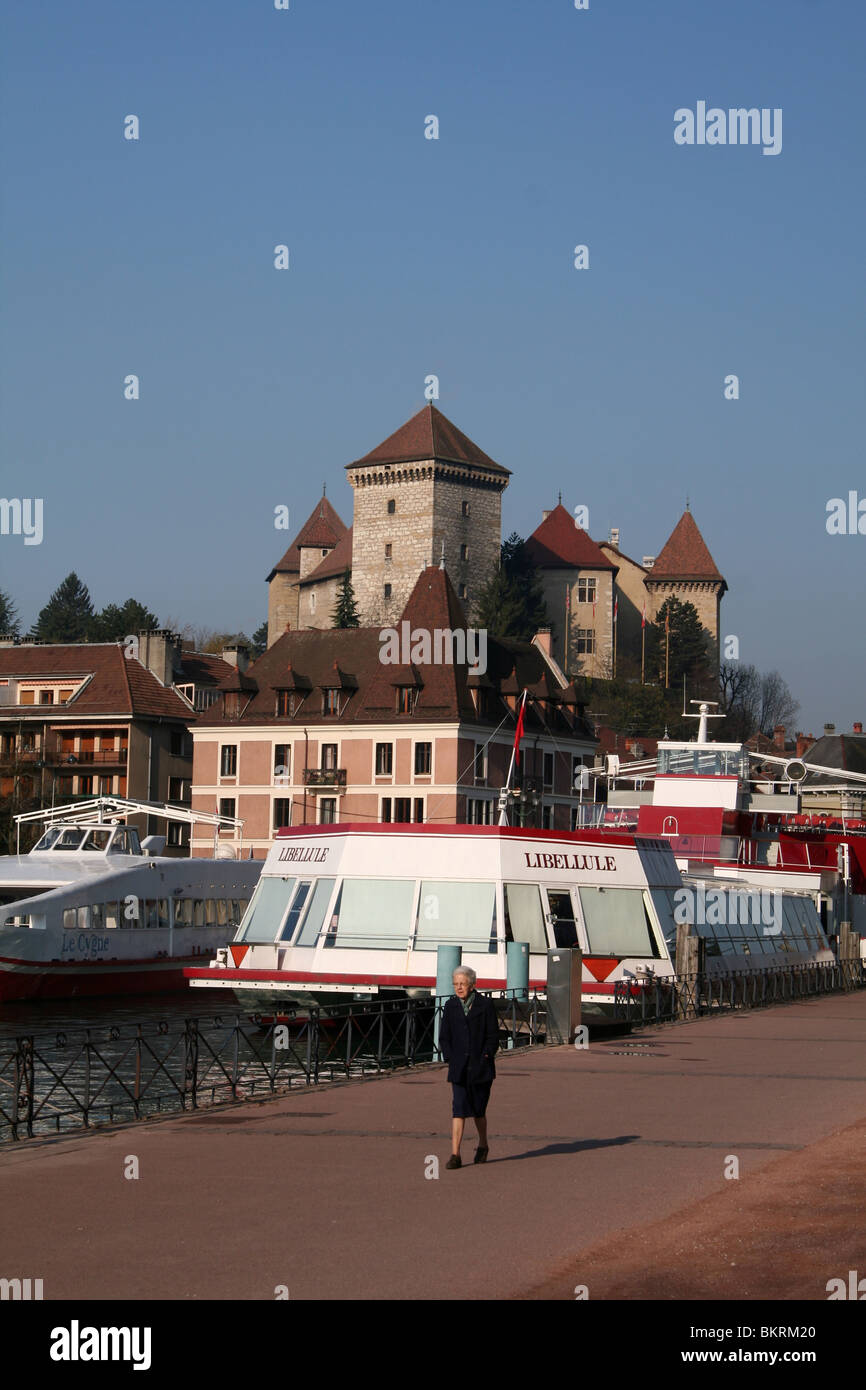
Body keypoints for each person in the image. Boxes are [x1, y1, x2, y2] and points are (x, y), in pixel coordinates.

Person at [438, 966, 498, 1169]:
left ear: (472, 984)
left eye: (462, 983)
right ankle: (455, 1154)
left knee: (478, 1111)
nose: (458, 987)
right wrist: (449, 1057)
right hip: (459, 1068)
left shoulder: (485, 1005)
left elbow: (493, 1036)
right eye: (455, 984)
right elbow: (444, 1037)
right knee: (459, 1109)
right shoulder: (450, 1006)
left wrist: (487, 1054)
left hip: (481, 1067)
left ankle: (483, 1144)